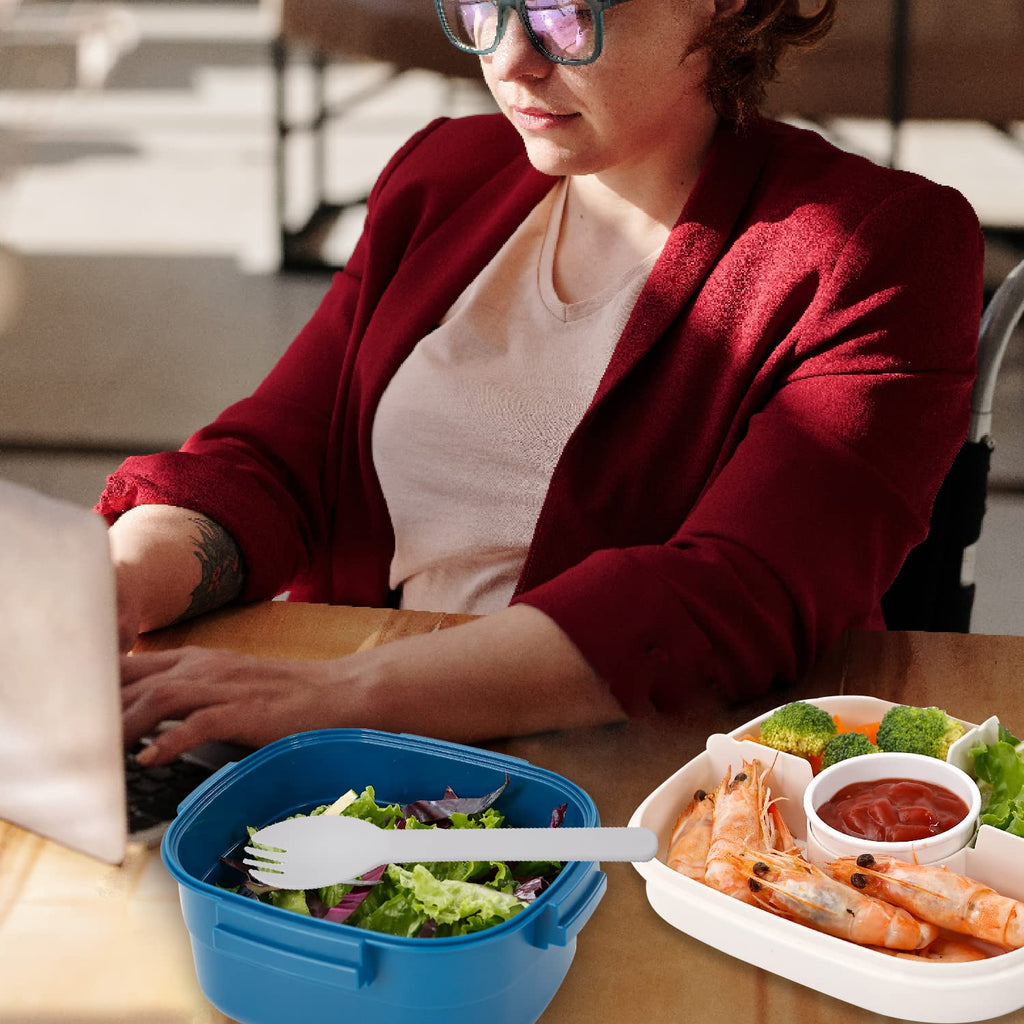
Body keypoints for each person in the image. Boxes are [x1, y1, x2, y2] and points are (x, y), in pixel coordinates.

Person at [100, 0, 984, 767]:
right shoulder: (443, 173)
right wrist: (120, 581)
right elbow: (276, 459)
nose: (510, 60)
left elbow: (733, 597)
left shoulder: (876, 247)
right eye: (483, 7)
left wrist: (341, 693)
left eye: (567, 13)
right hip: (359, 748)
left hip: (653, 790)